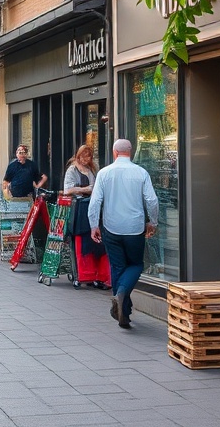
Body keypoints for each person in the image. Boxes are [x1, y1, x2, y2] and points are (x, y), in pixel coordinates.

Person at [88, 138, 159, 329]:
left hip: (111, 227)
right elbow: (152, 200)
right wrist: (152, 222)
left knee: (118, 266)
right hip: (135, 228)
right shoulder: (141, 172)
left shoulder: (104, 173)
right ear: (131, 151)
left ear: (114, 152)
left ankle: (123, 309)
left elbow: (95, 202)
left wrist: (94, 225)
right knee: (136, 264)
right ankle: (122, 301)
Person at [63, 144, 111, 290]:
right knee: (83, 243)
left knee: (98, 245)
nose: (86, 160)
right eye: (83, 157)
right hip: (80, 210)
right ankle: (85, 274)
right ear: (78, 156)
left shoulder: (92, 169)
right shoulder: (72, 170)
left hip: (93, 208)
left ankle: (99, 275)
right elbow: (67, 190)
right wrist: (86, 189)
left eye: (88, 157)